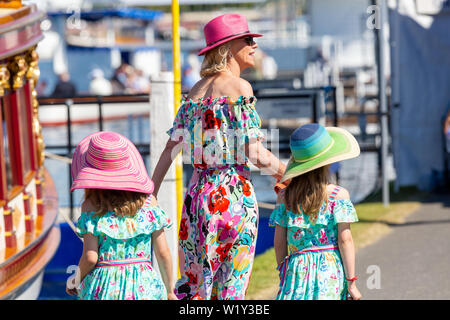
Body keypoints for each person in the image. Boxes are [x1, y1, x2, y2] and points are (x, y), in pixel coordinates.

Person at [151, 13, 286, 300]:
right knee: (231, 289)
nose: (254, 45)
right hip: (234, 197)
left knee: (197, 289)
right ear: (228, 47)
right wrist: (290, 173)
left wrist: (149, 193)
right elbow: (255, 153)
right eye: (248, 40)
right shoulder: (240, 89)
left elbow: (170, 150)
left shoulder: (195, 93)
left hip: (197, 198)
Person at [65, 131, 177, 300]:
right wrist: (169, 290)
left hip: (104, 289)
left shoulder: (91, 206)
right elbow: (163, 253)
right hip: (144, 288)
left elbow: (90, 257)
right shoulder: (149, 204)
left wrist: (75, 280)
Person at [270, 123, 362, 300]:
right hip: (330, 271)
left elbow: (279, 242)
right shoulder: (338, 195)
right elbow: (345, 240)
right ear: (327, 162)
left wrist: (283, 273)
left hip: (296, 271)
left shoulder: (284, 197)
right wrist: (351, 283)